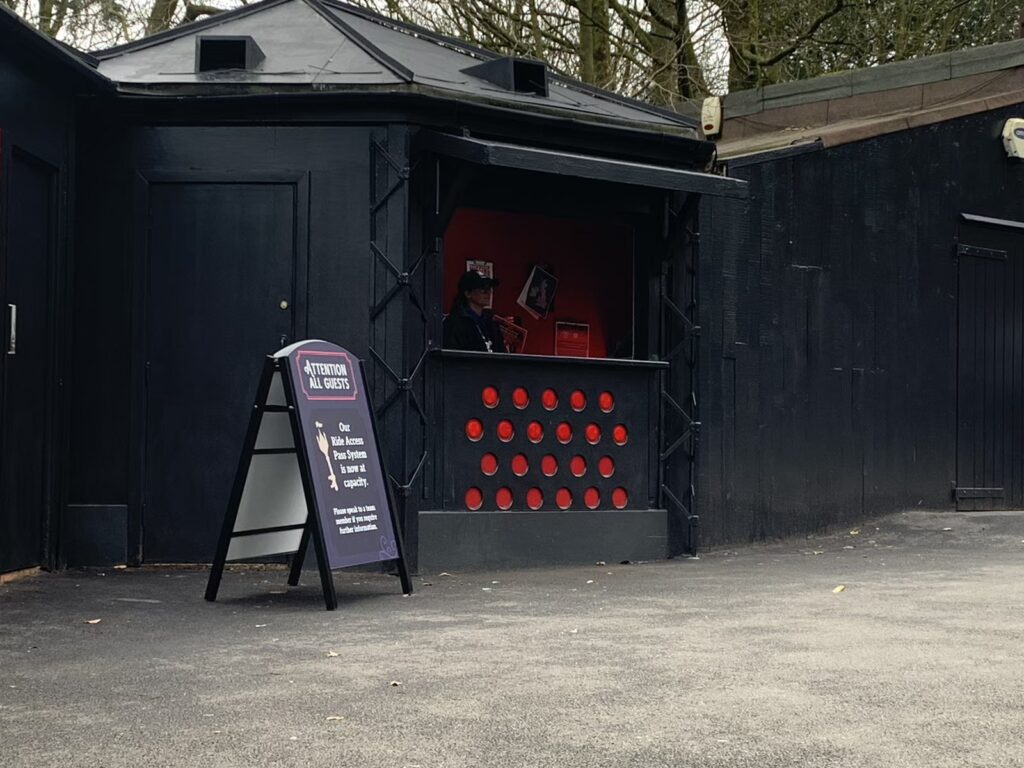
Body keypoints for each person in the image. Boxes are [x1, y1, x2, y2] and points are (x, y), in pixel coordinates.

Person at [443, 270, 508, 353]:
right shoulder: (454, 323)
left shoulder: (492, 324)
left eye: (489, 288)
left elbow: (502, 355)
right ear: (467, 293)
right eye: (482, 288)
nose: (487, 292)